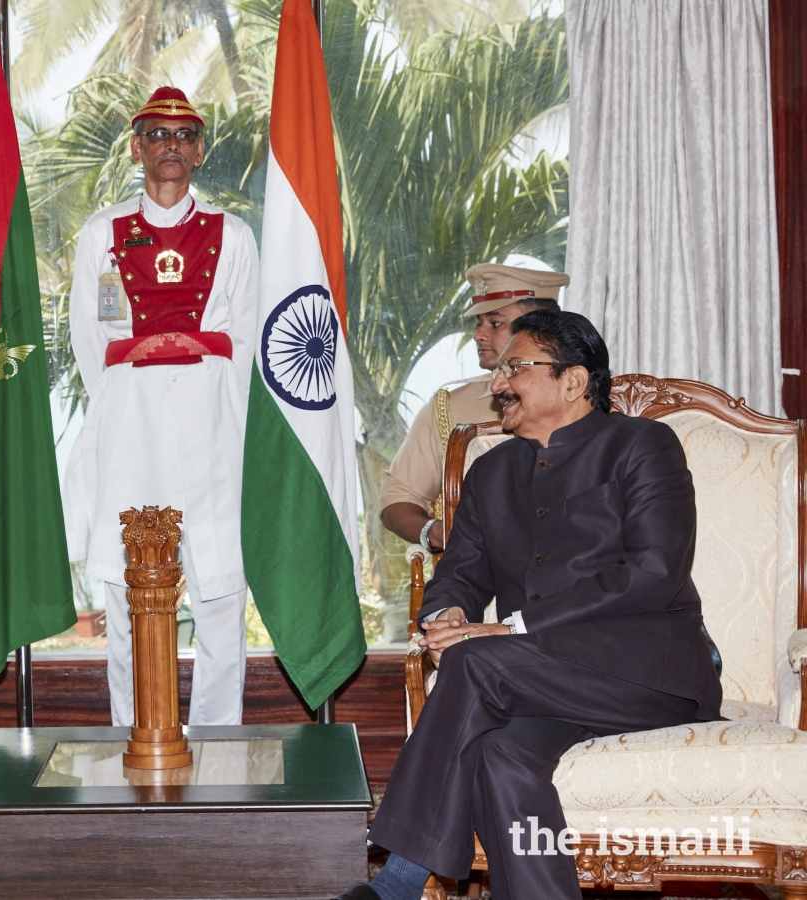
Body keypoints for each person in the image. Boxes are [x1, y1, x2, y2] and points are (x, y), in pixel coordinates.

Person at [340, 310, 723, 900]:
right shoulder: (491, 472)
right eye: (501, 370)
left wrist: (510, 628)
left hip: (650, 674)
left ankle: (397, 879)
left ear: (574, 380)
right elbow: (459, 574)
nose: (498, 383)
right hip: (541, 681)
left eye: (516, 367)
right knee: (502, 755)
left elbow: (653, 573)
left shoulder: (642, 445)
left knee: (475, 662)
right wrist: (445, 614)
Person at [63, 86, 259, 727]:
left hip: (213, 425)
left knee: (220, 587)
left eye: (182, 136)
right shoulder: (104, 233)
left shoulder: (233, 235)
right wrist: (133, 398)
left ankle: (217, 741)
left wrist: (207, 396)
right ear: (136, 148)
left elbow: (247, 336)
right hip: (133, 429)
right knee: (126, 587)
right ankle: (134, 733)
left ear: (199, 150)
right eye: (156, 134)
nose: (169, 146)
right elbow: (94, 339)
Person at [380, 264, 569, 552]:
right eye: (478, 324)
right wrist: (433, 531)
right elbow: (397, 496)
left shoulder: (593, 400)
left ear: (541, 329)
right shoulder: (448, 408)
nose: (478, 335)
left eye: (495, 323)